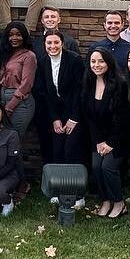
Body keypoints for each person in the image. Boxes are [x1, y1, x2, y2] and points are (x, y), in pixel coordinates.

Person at [83, 49, 130, 218]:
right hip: (98, 138)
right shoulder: (88, 83)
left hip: (118, 137)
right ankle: (105, 201)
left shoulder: (120, 83)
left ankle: (119, 202)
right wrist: (98, 141)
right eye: (93, 62)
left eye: (101, 61)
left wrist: (110, 143)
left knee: (108, 167)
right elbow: (89, 116)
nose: (96, 65)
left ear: (108, 63)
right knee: (96, 166)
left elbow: (124, 119)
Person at [34, 30, 84, 165]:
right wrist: (55, 119)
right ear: (44, 44)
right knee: (56, 150)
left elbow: (80, 90)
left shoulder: (74, 59)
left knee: (71, 149)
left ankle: (75, 183)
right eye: (49, 42)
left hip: (74, 110)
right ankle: (57, 183)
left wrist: (74, 118)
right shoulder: (42, 62)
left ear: (62, 43)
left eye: (56, 42)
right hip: (55, 112)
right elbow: (44, 93)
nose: (53, 46)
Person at [0, 21, 37, 137]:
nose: (14, 38)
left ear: (24, 36)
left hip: (20, 102)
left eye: (18, 34)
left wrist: (10, 106)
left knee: (14, 139)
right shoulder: (5, 54)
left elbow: (26, 85)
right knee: (4, 139)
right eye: (11, 35)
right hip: (3, 98)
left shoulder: (29, 56)